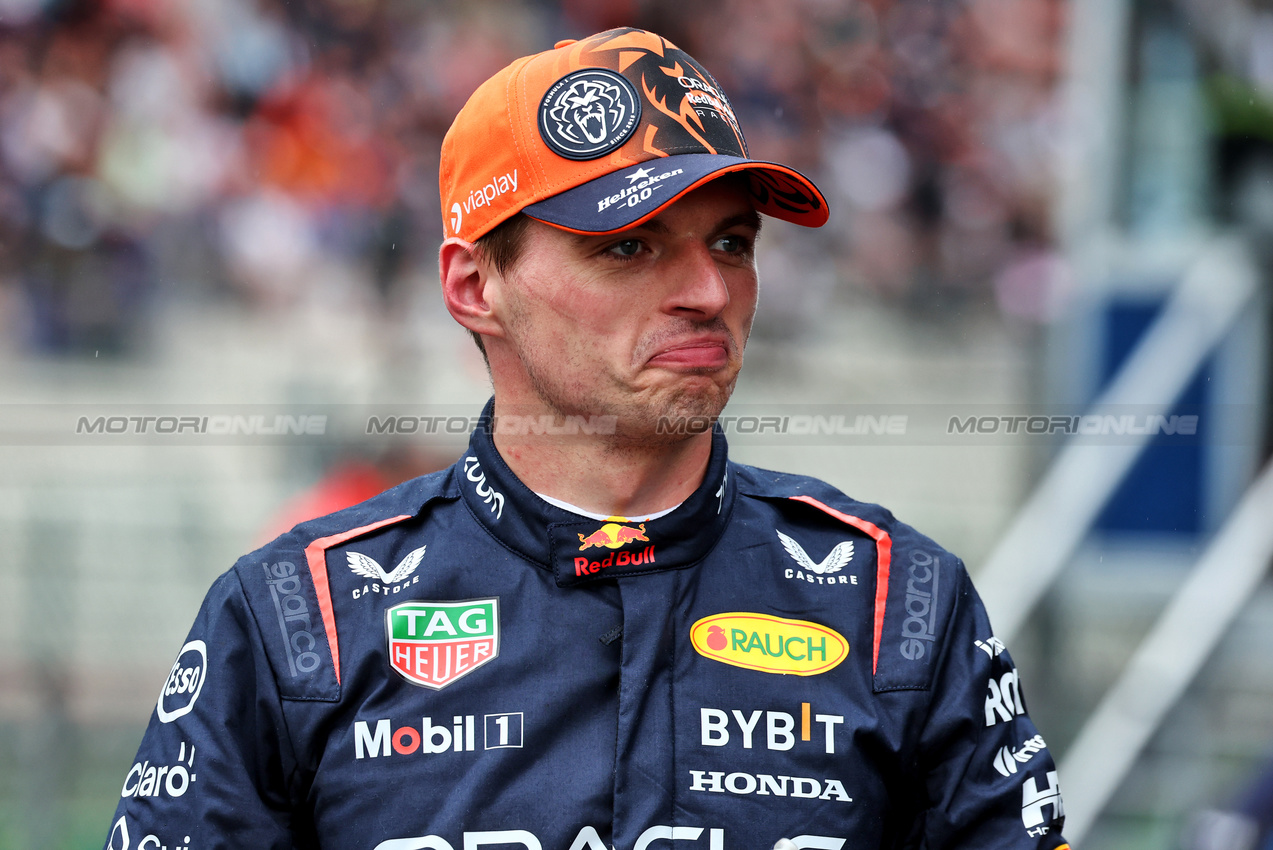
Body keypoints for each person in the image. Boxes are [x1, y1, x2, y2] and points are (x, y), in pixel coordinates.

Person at [103, 28, 1069, 850]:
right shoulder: (294, 617)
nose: (708, 292)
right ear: (474, 286)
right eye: (628, 246)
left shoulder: (897, 601)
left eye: (731, 242)